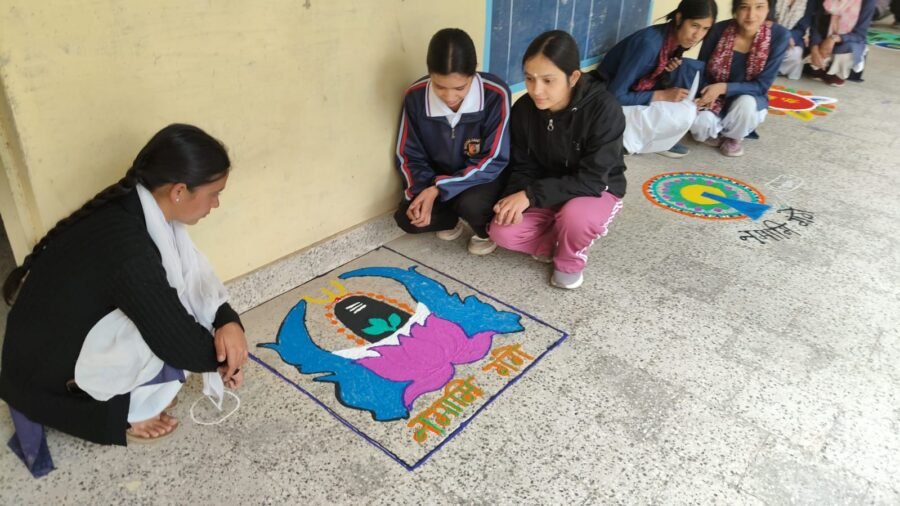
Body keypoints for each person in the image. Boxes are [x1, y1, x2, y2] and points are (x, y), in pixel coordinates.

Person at [0, 124, 248, 473]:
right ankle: (130, 410)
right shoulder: (129, 249)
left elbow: (197, 278)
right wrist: (225, 361)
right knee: (161, 321)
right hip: (44, 374)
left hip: (50, 341)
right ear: (179, 191)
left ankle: (138, 389)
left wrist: (227, 320)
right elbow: (174, 339)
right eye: (214, 194)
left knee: (172, 304)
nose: (217, 204)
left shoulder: (136, 205)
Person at [489, 31, 626, 290]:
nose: (536, 90)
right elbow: (523, 164)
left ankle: (569, 259)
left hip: (596, 189)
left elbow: (593, 180)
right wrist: (513, 199)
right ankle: (562, 238)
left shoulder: (604, 109)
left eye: (548, 80)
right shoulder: (524, 109)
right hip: (547, 188)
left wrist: (530, 195)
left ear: (573, 77)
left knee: (576, 217)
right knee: (501, 231)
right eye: (529, 79)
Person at [394, 28, 511, 255]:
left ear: (473, 73)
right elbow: (408, 155)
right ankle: (452, 219)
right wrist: (421, 193)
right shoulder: (415, 96)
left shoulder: (495, 93)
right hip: (438, 179)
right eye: (439, 86)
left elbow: (494, 158)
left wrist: (440, 189)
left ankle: (483, 230)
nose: (449, 97)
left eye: (460, 88)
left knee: (471, 205)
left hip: (482, 178)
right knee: (408, 218)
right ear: (429, 73)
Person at [600, 0, 717, 158]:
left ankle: (652, 139)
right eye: (694, 25)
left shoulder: (674, 39)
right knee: (686, 111)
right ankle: (630, 141)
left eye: (705, 29)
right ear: (679, 18)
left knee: (688, 87)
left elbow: (650, 78)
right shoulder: (649, 45)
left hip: (631, 95)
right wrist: (662, 95)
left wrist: (667, 72)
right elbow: (615, 96)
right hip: (604, 105)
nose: (697, 35)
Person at [692, 0, 790, 157]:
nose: (751, 15)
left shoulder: (779, 36)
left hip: (749, 96)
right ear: (735, 9)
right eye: (744, 7)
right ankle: (716, 130)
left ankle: (733, 136)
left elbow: (762, 85)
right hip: (713, 96)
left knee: (746, 105)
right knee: (700, 125)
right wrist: (703, 95)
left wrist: (724, 87)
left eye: (759, 7)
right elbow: (701, 69)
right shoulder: (718, 30)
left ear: (768, 9)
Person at [805, 0, 877, 86]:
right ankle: (818, 67)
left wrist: (833, 39)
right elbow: (814, 23)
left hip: (847, 41)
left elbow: (860, 34)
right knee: (804, 41)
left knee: (850, 49)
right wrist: (815, 47)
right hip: (822, 38)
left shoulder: (868, 1)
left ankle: (836, 73)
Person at [775, 0, 813, 79]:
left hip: (794, 38)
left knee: (795, 54)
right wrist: (782, 35)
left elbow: (802, 28)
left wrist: (788, 36)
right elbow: (769, 18)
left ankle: (779, 71)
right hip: (773, 33)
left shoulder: (810, 2)